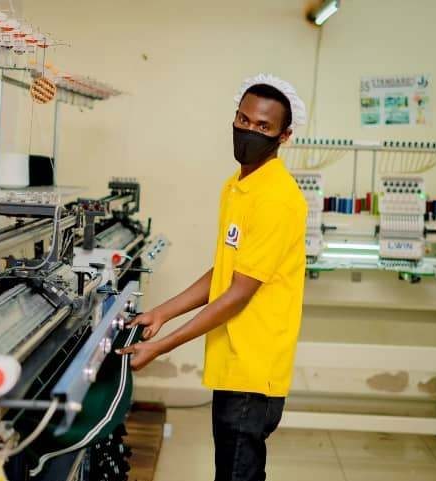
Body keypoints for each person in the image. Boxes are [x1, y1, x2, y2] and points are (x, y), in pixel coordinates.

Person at [118, 74, 308, 481]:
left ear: (284, 136)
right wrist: (162, 313)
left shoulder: (277, 198)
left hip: (254, 366)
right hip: (232, 359)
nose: (249, 131)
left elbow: (238, 294)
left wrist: (163, 346)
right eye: (243, 120)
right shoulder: (238, 186)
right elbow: (226, 272)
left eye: (263, 127)